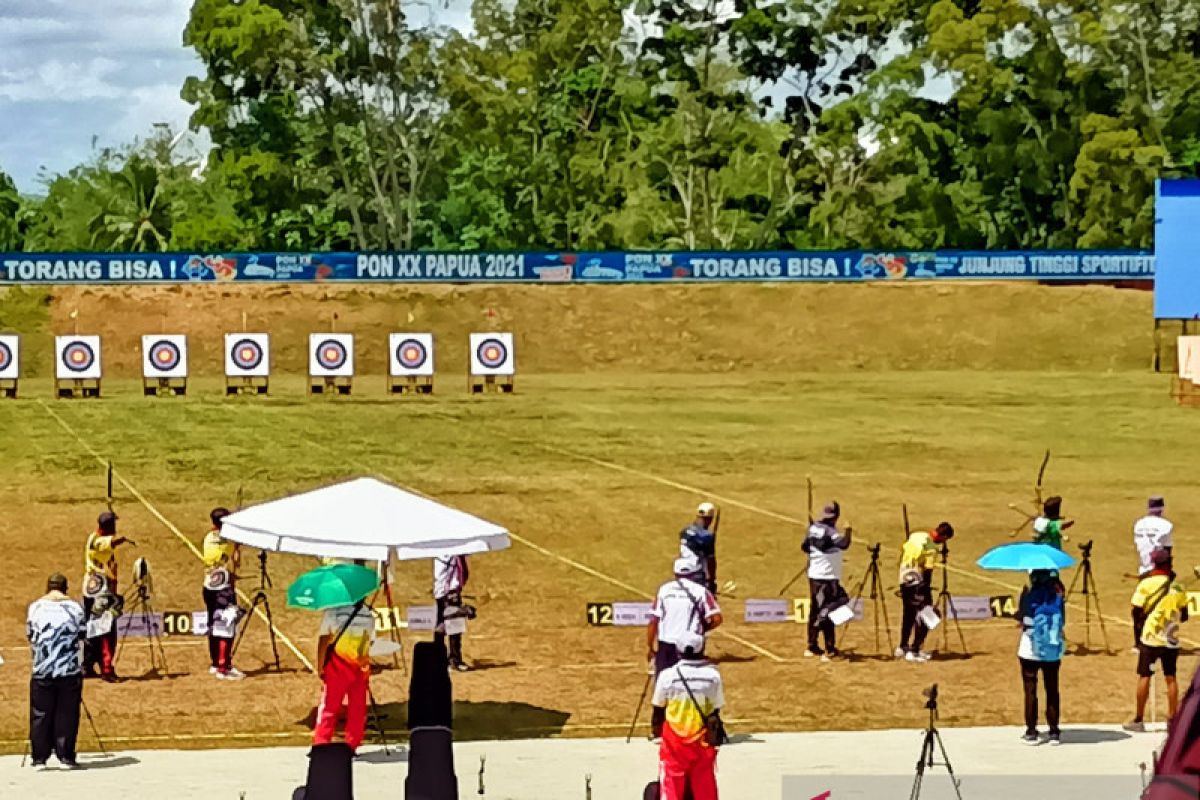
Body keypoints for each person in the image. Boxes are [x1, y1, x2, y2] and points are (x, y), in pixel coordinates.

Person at [651, 631, 724, 800]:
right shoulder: (713, 677)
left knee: (672, 785)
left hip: (674, 742)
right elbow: (715, 709)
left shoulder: (668, 676)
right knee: (705, 785)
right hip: (703, 740)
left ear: (678, 651)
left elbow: (658, 710)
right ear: (702, 649)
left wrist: (657, 733)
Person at [1125, 548, 1190, 733]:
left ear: (1154, 564)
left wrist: (1140, 624)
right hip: (1171, 638)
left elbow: (1135, 609)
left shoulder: (1146, 584)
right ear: (1169, 563)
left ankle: (1138, 718)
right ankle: (1172, 718)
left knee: (1145, 675)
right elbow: (1184, 614)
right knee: (1171, 678)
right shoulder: (1178, 586)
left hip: (1151, 637)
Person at [27, 573, 85, 769]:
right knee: (67, 714)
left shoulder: (35, 608)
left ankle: (39, 758)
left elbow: (31, 635)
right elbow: (82, 635)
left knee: (40, 714)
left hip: (42, 669)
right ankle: (65, 756)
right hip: (68, 670)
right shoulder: (75, 608)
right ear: (65, 588)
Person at [314, 599, 375, 753]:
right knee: (357, 708)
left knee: (329, 707)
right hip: (359, 668)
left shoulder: (332, 612)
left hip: (337, 669)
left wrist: (320, 666)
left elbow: (323, 640)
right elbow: (370, 642)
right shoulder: (368, 615)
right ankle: (352, 745)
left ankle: (321, 742)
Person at [648, 559, 723, 676]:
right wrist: (703, 629)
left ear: (675, 573)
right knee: (692, 680)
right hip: (692, 642)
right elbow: (717, 618)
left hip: (666, 644)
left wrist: (650, 647)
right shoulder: (701, 591)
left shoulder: (664, 590)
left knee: (664, 681)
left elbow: (654, 621)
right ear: (693, 573)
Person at [1017, 569, 1066, 745]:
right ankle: (1054, 731)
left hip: (1029, 650)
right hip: (1052, 651)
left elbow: (1020, 619)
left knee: (1030, 691)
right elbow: (1063, 622)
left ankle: (1031, 732)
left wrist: (1022, 597)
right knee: (1052, 690)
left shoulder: (1028, 596)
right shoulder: (1058, 597)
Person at [82, 511, 131, 681]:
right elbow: (110, 542)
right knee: (106, 631)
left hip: (91, 588)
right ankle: (107, 669)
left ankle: (87, 665)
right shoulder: (99, 541)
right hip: (101, 592)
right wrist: (122, 539)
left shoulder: (92, 537)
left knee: (92, 629)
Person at [896, 522, 954, 662]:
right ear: (944, 536)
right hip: (917, 582)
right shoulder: (932, 548)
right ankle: (914, 650)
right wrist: (926, 591)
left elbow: (905, 549)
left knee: (909, 613)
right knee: (930, 615)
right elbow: (928, 572)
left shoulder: (917, 535)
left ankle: (902, 647)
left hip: (904, 577)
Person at [802, 502, 852, 661]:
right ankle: (829, 649)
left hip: (814, 575)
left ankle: (812, 645)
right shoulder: (830, 531)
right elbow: (844, 544)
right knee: (830, 608)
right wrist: (848, 531)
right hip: (827, 577)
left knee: (815, 609)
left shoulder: (813, 528)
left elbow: (804, 547)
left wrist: (815, 554)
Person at [202, 507, 243, 680]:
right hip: (223, 590)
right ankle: (223, 667)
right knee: (227, 627)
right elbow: (236, 562)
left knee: (213, 624)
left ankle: (214, 663)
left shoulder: (208, 538)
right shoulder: (230, 540)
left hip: (208, 587)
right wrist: (238, 545)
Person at [433, 554, 470, 672]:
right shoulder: (448, 553)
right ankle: (453, 660)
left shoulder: (441, 552)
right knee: (452, 627)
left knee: (443, 625)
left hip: (443, 591)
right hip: (448, 592)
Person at [679, 502, 719, 593]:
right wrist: (712, 581)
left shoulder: (684, 531)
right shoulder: (706, 537)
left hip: (682, 570)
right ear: (710, 519)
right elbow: (711, 561)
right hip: (697, 575)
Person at [1134, 496, 1173, 577]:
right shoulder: (1166, 525)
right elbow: (1167, 551)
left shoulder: (1139, 524)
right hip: (1159, 571)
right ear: (1162, 509)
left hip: (1143, 569)